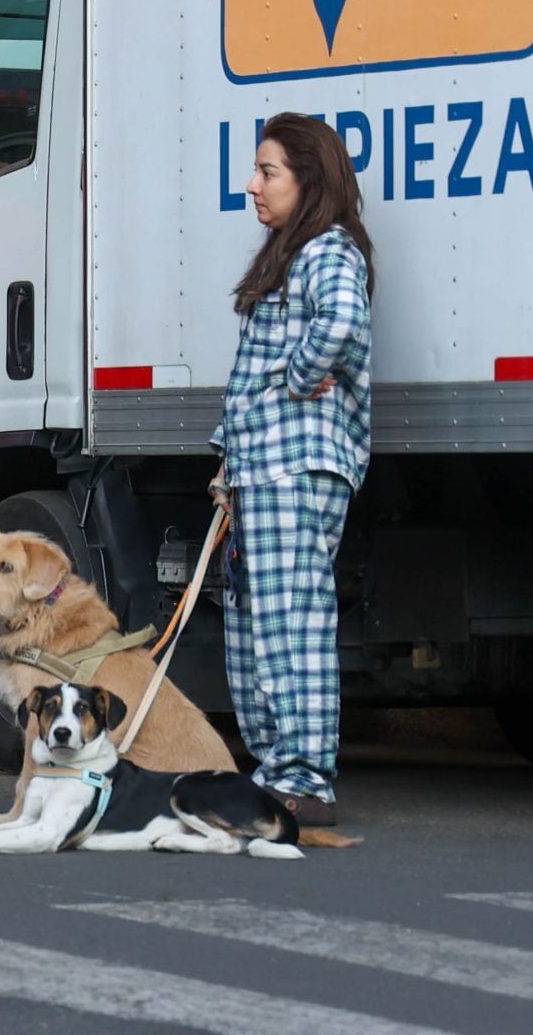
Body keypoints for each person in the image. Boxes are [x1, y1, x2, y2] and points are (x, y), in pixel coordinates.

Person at [210, 112, 374, 828]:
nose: (252, 185)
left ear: (309, 181)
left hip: (295, 470)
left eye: (267, 171)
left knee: (292, 624)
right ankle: (277, 771)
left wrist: (302, 374)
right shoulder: (290, 253)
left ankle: (305, 778)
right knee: (255, 627)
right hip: (260, 470)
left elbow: (340, 323)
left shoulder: (327, 251)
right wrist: (229, 463)